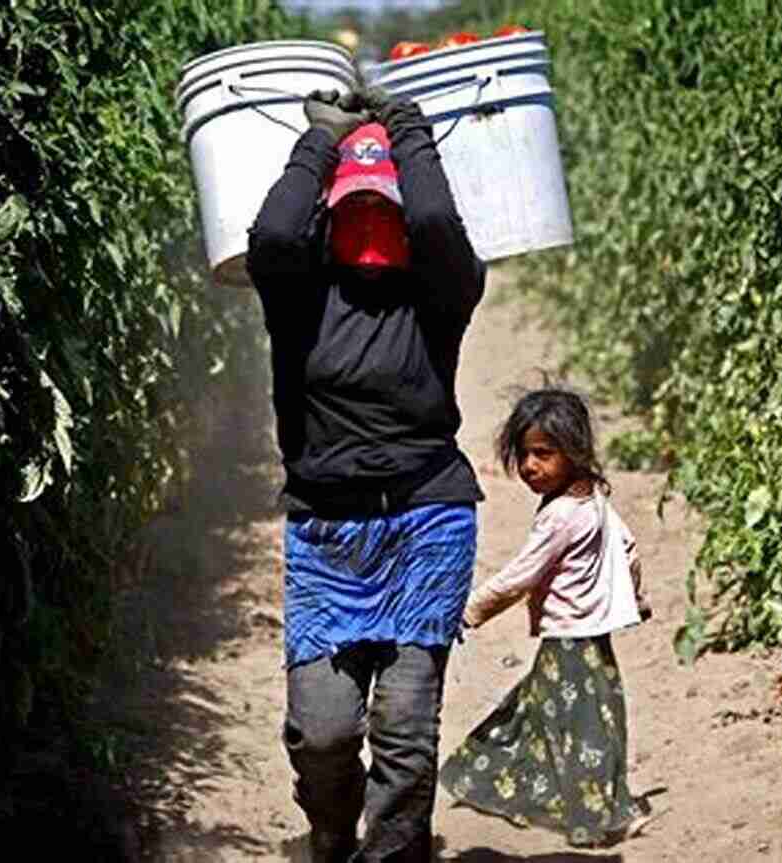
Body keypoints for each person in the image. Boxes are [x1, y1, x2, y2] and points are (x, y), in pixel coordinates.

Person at [245, 78, 486, 863]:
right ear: (331, 208)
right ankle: (329, 828)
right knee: (323, 732)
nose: (376, 220)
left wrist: (406, 123)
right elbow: (273, 232)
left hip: (426, 520)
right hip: (326, 530)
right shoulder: (300, 295)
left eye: (385, 205)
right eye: (358, 204)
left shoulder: (438, 292)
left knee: (406, 729)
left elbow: (437, 218)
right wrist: (321, 140)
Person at [438, 387, 653, 848]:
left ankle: (598, 816)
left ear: (573, 453)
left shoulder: (559, 516)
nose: (531, 466)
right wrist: (636, 597)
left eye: (543, 454)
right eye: (523, 454)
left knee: (574, 727)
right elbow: (628, 547)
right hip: (593, 638)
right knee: (581, 719)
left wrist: (466, 613)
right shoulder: (593, 494)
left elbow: (521, 576)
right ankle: (598, 804)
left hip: (569, 640)